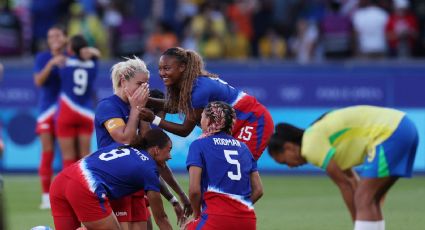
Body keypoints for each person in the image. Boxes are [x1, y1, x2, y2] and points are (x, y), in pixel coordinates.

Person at [267, 105, 418, 230]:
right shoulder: (318, 137)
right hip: (404, 127)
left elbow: (345, 185)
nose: (290, 167)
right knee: (371, 199)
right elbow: (351, 180)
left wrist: (357, 222)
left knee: (363, 198)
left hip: (391, 133)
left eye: (285, 162)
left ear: (288, 147)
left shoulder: (310, 145)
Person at [94, 57, 190, 229]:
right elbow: (126, 139)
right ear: (123, 81)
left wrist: (178, 197)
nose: (144, 89)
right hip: (116, 185)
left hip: (136, 185)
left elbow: (151, 158)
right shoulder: (108, 107)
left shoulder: (140, 109)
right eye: (140, 84)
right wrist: (135, 110)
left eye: (146, 84)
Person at [141, 47, 274, 161]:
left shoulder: (198, 89)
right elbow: (176, 107)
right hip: (229, 127)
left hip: (253, 120)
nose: (162, 73)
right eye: (160, 69)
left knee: (240, 167)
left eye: (166, 68)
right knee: (217, 167)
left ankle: (253, 191)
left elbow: (184, 130)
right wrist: (145, 100)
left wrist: (153, 119)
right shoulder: (189, 84)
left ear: (182, 67)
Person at [50, 129, 174, 230]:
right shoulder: (149, 169)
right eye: (168, 150)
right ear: (156, 150)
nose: (170, 156)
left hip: (61, 180)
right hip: (85, 186)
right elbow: (161, 218)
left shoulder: (123, 146)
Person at [184, 101, 263, 230]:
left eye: (203, 116)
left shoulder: (199, 145)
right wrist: (238, 209)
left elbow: (194, 190)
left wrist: (197, 215)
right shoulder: (244, 148)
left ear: (210, 120)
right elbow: (258, 190)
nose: (201, 120)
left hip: (215, 218)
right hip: (247, 220)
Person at [33, 25, 67, 209]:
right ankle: (46, 196)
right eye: (50, 36)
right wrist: (51, 64)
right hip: (47, 110)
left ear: (64, 37)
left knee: (67, 155)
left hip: (66, 110)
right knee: (47, 152)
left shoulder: (71, 57)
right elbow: (38, 81)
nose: (54, 38)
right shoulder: (42, 57)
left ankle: (65, 193)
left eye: (57, 35)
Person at [56, 34, 99, 169]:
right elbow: (97, 54)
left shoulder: (65, 62)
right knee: (85, 157)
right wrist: (89, 51)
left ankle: (68, 189)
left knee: (68, 158)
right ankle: (86, 188)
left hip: (67, 111)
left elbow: (58, 51)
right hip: (86, 113)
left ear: (72, 49)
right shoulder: (92, 64)